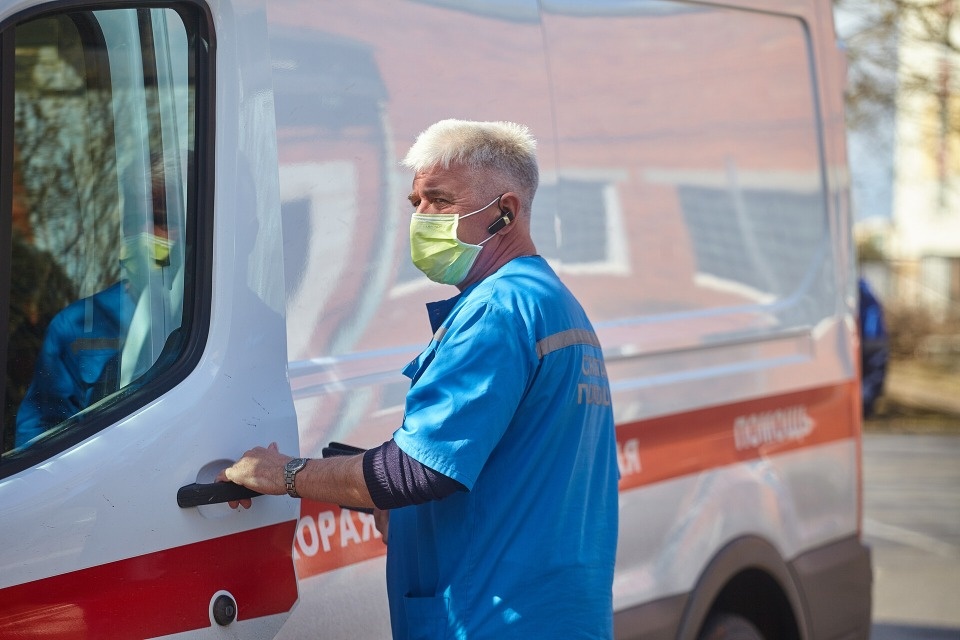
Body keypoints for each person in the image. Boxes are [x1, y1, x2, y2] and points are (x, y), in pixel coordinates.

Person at [219, 119, 620, 638]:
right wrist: (395, 509)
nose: (422, 217)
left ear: (505, 211)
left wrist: (283, 474)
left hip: (491, 622)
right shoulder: (550, 300)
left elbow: (416, 473)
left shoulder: (497, 309)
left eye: (440, 199)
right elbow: (502, 463)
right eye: (415, 203)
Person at [14, 155, 178, 447]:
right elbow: (39, 440)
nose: (143, 235)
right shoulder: (79, 325)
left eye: (161, 220)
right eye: (132, 222)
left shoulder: (225, 325)